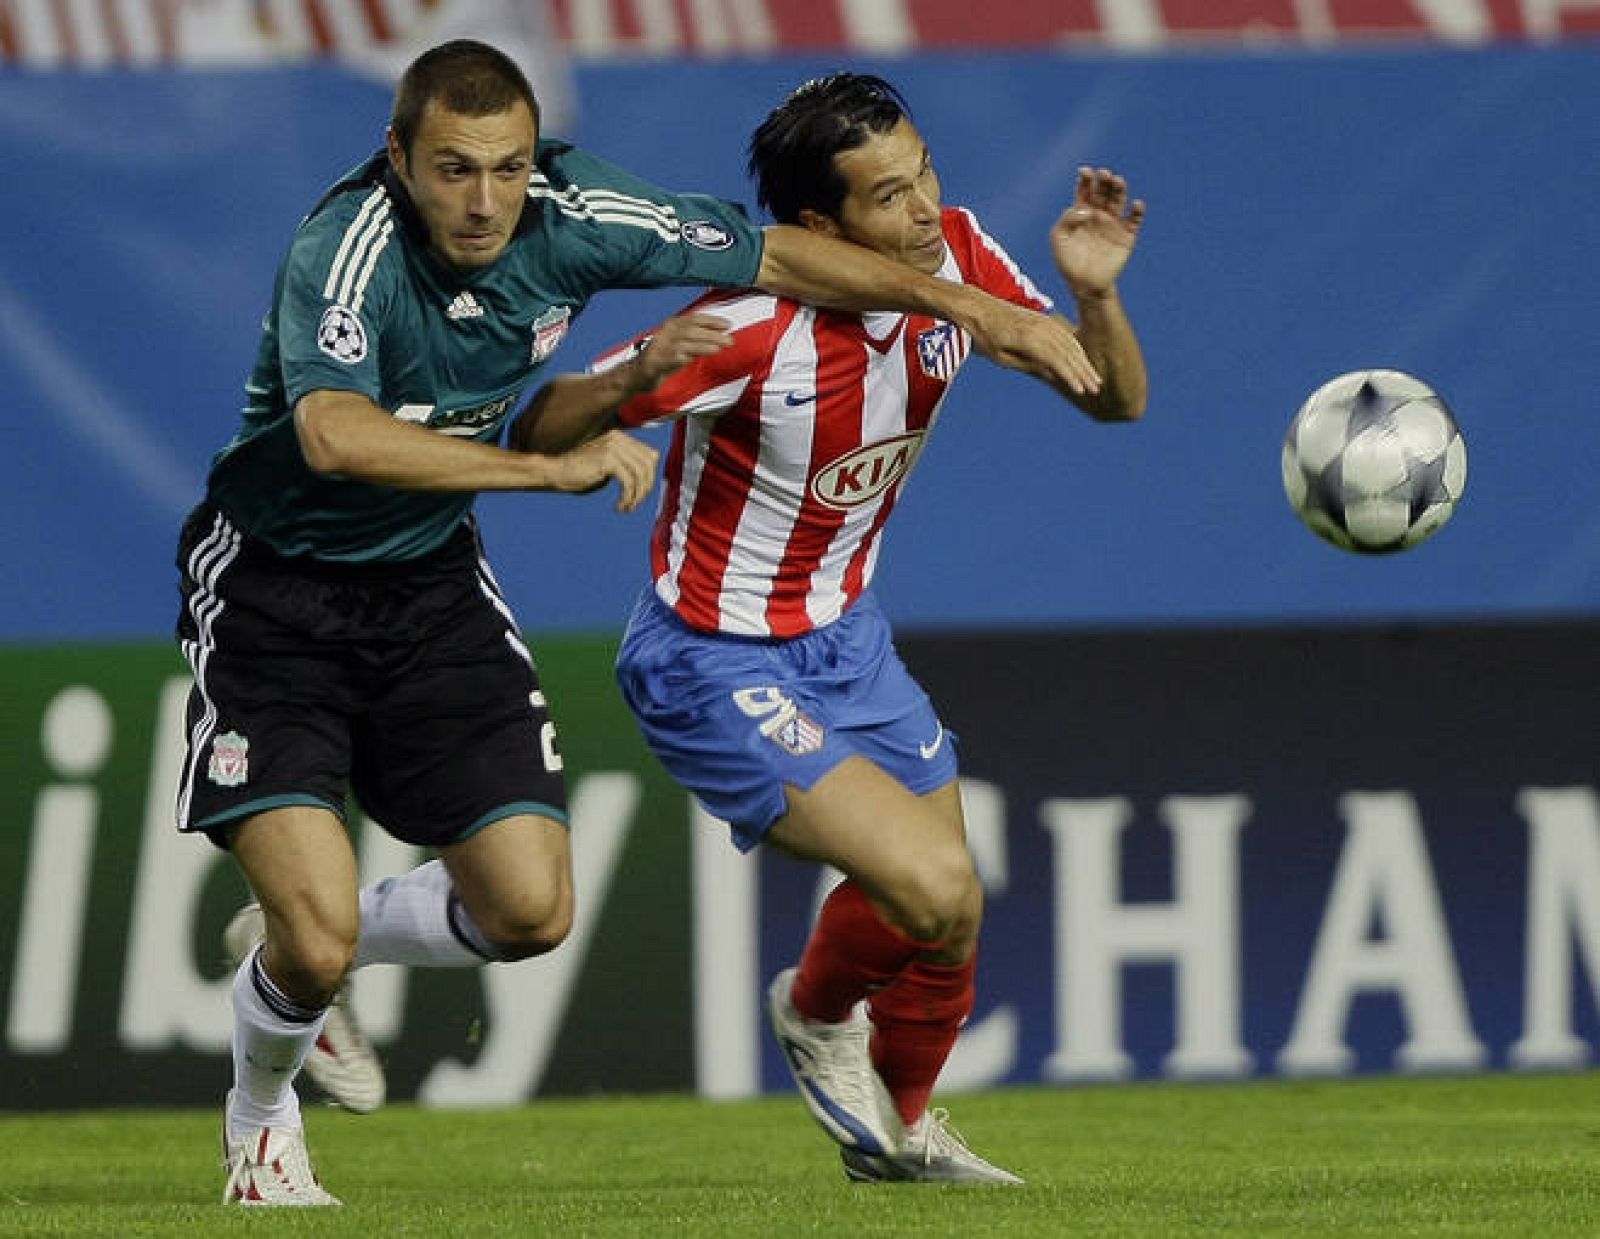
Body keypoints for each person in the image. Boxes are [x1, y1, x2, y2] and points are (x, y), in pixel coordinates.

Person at [174, 42, 1106, 1209]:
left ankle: (322, 945)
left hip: (430, 583)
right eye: (454, 169)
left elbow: (772, 252)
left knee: (531, 911)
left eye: (510, 168)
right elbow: (333, 437)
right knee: (307, 946)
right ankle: (262, 1127)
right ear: (398, 158)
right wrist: (547, 467)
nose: (485, 201)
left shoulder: (581, 213)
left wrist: (976, 307)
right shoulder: (347, 250)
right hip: (274, 590)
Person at [517, 72, 1147, 1183]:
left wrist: (1092, 296)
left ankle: (901, 1136)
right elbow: (538, 429)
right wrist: (628, 384)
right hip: (711, 658)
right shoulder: (749, 326)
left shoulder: (954, 256)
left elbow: (1113, 399)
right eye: (888, 195)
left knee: (950, 912)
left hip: (846, 640)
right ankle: (814, 1016)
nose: (924, 208)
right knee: (932, 884)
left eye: (925, 173)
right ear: (820, 223)